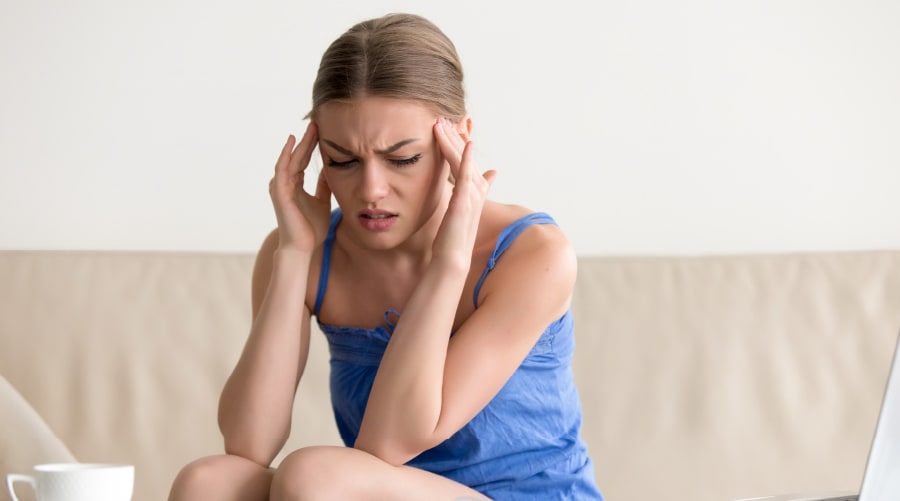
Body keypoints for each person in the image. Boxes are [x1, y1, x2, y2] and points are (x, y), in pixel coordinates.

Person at [168, 12, 602, 501]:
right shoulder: (308, 252)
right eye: (343, 161)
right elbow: (248, 443)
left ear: (458, 141)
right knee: (208, 482)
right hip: (368, 487)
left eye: (402, 159)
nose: (371, 190)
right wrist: (293, 255)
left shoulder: (533, 254)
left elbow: (386, 444)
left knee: (316, 477)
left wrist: (449, 261)